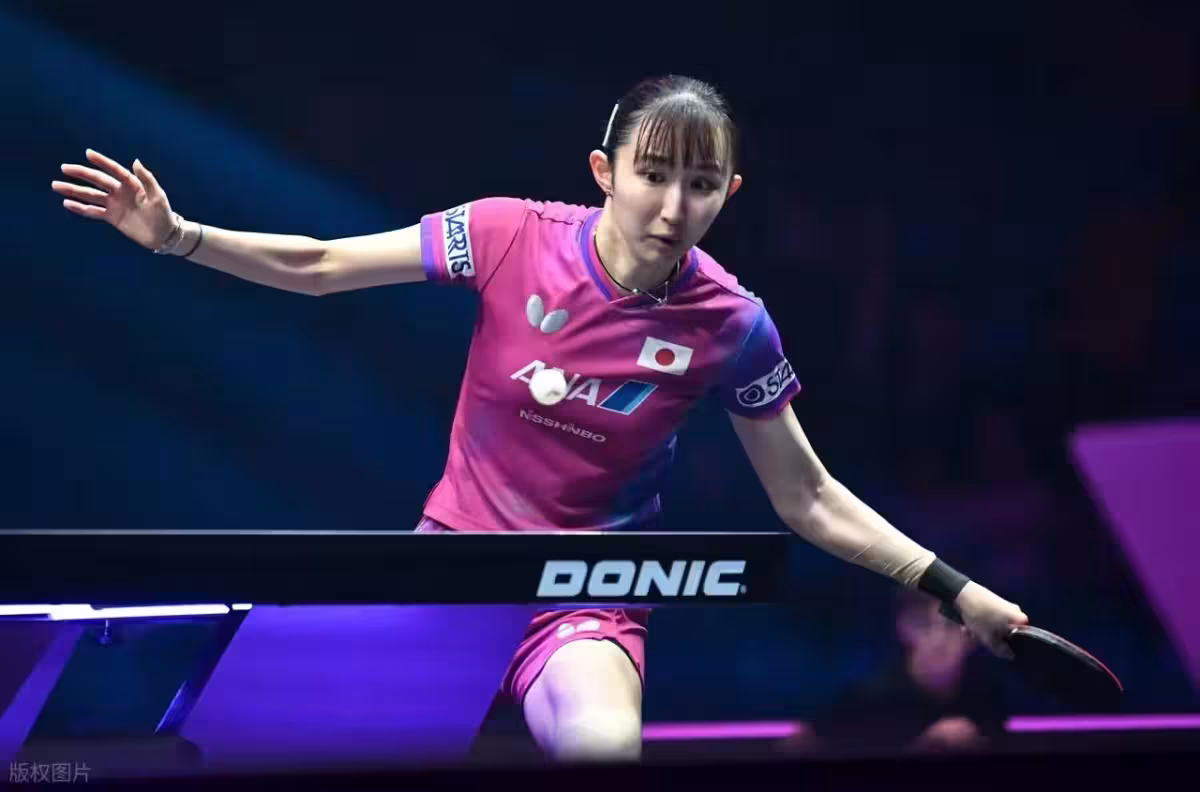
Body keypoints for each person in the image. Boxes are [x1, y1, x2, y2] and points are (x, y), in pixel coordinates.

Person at [50, 74, 1029, 763]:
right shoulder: (507, 233)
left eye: (700, 185)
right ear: (605, 169)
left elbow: (806, 496)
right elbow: (321, 266)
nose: (673, 205)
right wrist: (178, 237)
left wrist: (951, 588)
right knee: (296, 749)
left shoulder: (733, 324)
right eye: (653, 174)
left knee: (604, 749)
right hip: (449, 572)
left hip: (584, 599)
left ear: (728, 192)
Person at [810, 587, 1011, 754]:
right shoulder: (865, 701)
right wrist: (923, 748)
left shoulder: (991, 698)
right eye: (923, 624)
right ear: (904, 627)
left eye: (951, 626)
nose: (938, 640)